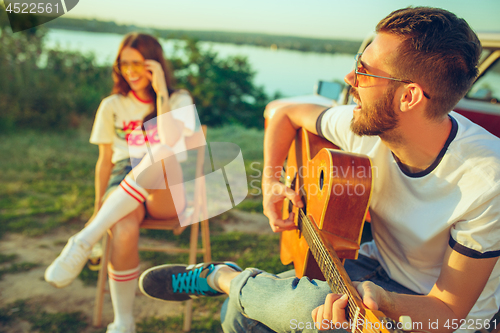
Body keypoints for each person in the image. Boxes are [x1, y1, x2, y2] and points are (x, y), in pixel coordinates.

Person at [137, 7, 500, 333]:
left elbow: (446, 310)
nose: (349, 78)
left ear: (409, 97)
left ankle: (224, 278)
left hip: (439, 316)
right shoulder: (366, 125)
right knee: (240, 317)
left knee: (304, 311)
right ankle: (237, 287)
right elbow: (285, 113)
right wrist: (272, 183)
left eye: (364, 71)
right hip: (373, 268)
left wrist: (386, 303)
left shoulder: (486, 180)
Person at [44, 33, 196, 333]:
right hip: (122, 177)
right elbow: (104, 162)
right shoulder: (112, 104)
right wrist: (99, 206)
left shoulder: (179, 99)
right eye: (124, 64)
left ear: (155, 64)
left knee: (162, 150)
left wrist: (161, 91)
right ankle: (123, 322)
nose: (130, 71)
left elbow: (169, 141)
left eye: (138, 63)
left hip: (166, 184)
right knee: (123, 228)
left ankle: (84, 240)